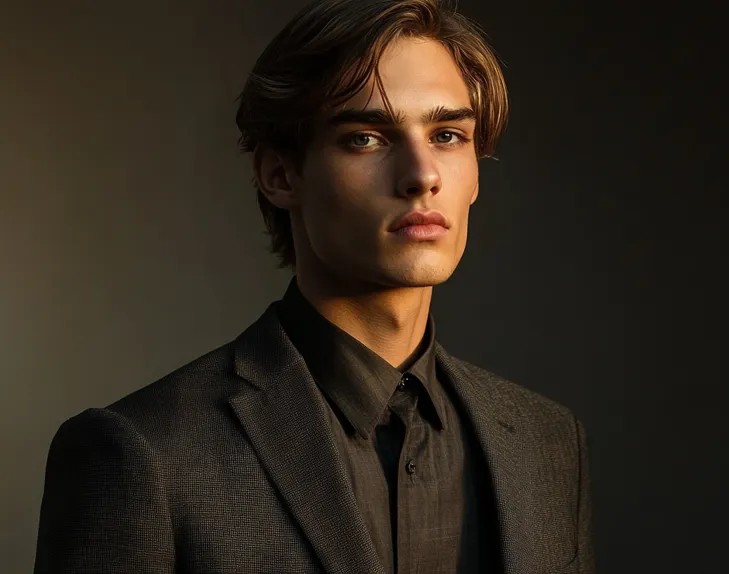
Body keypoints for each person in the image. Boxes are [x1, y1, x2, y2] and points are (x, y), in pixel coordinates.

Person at [33, 0, 594, 572]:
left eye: (447, 134)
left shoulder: (545, 443)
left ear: (476, 170)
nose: (423, 176)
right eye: (366, 138)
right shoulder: (143, 453)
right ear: (281, 175)